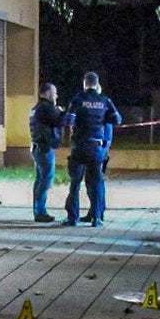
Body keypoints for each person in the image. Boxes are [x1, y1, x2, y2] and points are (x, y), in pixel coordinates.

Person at [63, 71, 122, 227]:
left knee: (75, 183)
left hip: (79, 146)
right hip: (96, 147)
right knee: (96, 183)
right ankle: (96, 218)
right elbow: (117, 119)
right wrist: (103, 119)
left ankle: (72, 218)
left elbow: (68, 120)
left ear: (84, 83)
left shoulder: (78, 99)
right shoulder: (105, 101)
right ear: (97, 84)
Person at [27, 83, 65, 223]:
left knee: (40, 180)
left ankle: (38, 210)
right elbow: (60, 121)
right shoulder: (46, 108)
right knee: (46, 180)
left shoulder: (37, 108)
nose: (56, 96)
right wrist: (63, 112)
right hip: (44, 148)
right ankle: (40, 212)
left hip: (37, 147)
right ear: (47, 93)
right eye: (54, 93)